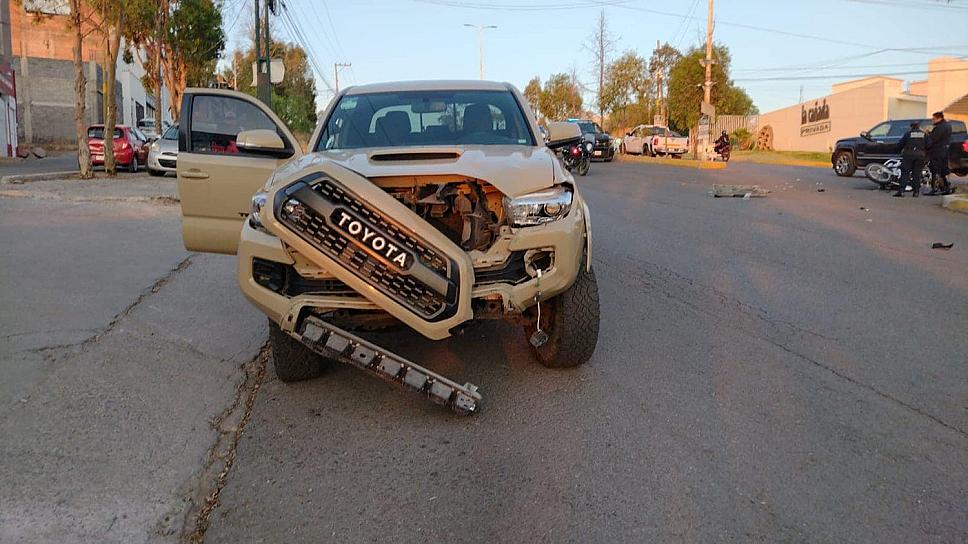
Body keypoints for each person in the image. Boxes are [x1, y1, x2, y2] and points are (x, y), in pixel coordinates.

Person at [894, 121, 930, 198]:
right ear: (919, 127)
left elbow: (900, 144)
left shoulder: (908, 134)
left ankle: (902, 191)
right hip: (920, 156)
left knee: (905, 173)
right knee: (917, 174)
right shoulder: (924, 134)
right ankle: (916, 192)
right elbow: (929, 145)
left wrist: (898, 150)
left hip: (908, 155)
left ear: (911, 127)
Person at [926, 111, 952, 195]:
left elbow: (934, 138)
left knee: (935, 170)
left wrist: (928, 133)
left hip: (937, 151)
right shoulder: (947, 125)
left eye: (934, 119)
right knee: (942, 171)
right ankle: (945, 188)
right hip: (944, 151)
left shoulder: (940, 127)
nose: (932, 120)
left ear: (939, 118)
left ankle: (935, 188)